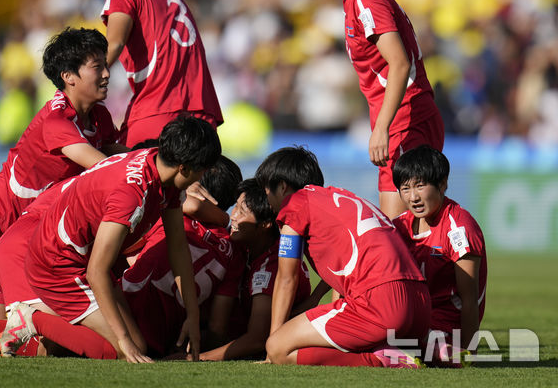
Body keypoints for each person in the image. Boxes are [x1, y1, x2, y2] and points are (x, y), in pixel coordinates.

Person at [7, 115, 221, 362]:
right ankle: (31, 319)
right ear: (183, 168)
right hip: (58, 265)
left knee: (135, 344)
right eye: (202, 170)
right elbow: (96, 271)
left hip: (80, 257)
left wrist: (192, 317)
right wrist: (123, 341)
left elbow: (178, 248)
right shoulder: (130, 194)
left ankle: (50, 321)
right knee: (123, 351)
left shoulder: (161, 167)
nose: (201, 178)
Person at [0, 27, 124, 319]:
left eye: (106, 65)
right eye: (97, 67)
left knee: (25, 333)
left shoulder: (100, 116)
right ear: (68, 76)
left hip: (26, 235)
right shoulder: (56, 121)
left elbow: (121, 154)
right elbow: (105, 168)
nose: (107, 74)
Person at [301, 0, 444, 218]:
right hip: (405, 116)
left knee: (399, 236)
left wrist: (381, 129)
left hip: (404, 119)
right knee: (408, 234)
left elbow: (400, 63)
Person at [257, 147, 431, 368]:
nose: (267, 201)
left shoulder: (295, 203)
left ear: (282, 186)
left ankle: (382, 359)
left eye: (266, 191)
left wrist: (273, 342)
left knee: (279, 349)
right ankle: (423, 350)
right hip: (421, 305)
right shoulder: (342, 196)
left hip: (381, 304)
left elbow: (286, 279)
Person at [87, 0, 223, 148]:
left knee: (114, 168)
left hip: (158, 109)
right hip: (202, 114)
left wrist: (86, 80)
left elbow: (115, 43)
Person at [121, 155, 244, 357]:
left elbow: (129, 253)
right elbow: (217, 327)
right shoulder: (234, 252)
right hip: (162, 340)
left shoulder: (170, 214)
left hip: (125, 310)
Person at [197, 178, 312, 361]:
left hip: (252, 343)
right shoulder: (248, 246)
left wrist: (198, 358)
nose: (233, 216)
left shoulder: (272, 266)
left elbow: (256, 339)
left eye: (242, 211)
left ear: (266, 224)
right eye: (235, 206)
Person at [391, 145, 487, 354]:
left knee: (386, 342)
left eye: (420, 186)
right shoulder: (398, 227)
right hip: (413, 319)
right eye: (405, 188)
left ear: (442, 184)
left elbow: (470, 299)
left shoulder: (459, 229)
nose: (413, 197)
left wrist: (468, 353)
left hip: (446, 329)